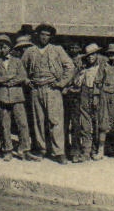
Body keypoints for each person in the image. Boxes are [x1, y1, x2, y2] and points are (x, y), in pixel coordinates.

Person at [24, 22, 76, 163]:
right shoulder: (30, 51)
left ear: (51, 37)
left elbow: (70, 66)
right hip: (36, 89)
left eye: (48, 35)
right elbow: (22, 69)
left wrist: (61, 83)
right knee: (38, 121)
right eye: (42, 34)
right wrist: (27, 80)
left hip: (52, 89)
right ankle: (41, 149)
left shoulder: (57, 50)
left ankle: (59, 152)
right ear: (38, 35)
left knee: (55, 121)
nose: (45, 38)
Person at [0, 34, 33, 161]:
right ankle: (7, 150)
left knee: (22, 123)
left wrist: (11, 81)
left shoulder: (17, 61)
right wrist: (9, 77)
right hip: (2, 96)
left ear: (9, 47)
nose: (2, 50)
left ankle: (24, 149)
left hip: (17, 96)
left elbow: (22, 76)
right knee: (5, 124)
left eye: (4, 47)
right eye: (0, 48)